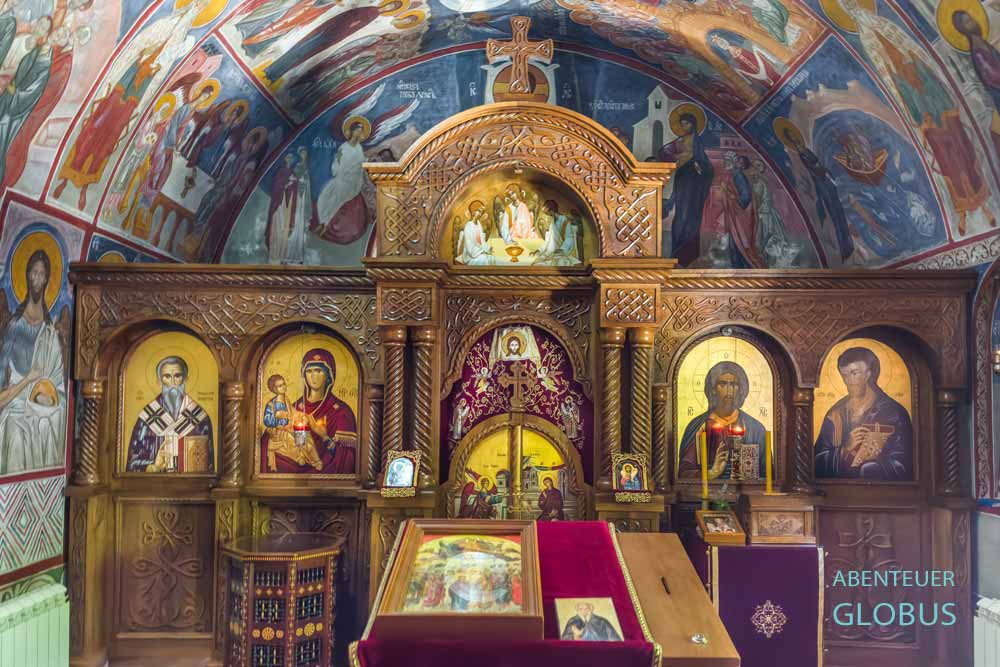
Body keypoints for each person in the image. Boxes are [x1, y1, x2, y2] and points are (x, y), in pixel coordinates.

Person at [0, 248, 66, 474]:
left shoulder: (50, 328)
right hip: (16, 403)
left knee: (52, 423)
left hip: (43, 402)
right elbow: (2, 378)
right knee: (17, 434)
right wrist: (27, 381)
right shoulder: (15, 325)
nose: (37, 279)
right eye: (33, 273)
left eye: (42, 274)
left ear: (48, 279)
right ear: (26, 276)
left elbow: (57, 380)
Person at [814, 347, 913, 480]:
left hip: (882, 495)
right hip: (837, 492)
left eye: (854, 373)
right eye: (845, 375)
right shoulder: (835, 415)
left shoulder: (894, 413)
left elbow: (905, 462)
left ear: (868, 374)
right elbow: (815, 462)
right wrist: (844, 450)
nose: (848, 381)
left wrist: (874, 463)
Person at [261, 348, 357, 474]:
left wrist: (324, 437)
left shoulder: (342, 412)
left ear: (329, 375)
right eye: (309, 371)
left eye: (318, 371)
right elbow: (267, 440)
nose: (313, 376)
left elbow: (346, 458)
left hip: (328, 479)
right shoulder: (293, 406)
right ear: (303, 375)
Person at [677, 361, 767, 479]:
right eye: (723, 384)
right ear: (713, 389)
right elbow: (684, 473)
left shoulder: (755, 429)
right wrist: (711, 473)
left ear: (740, 389)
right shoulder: (699, 426)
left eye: (734, 384)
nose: (729, 390)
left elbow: (767, 474)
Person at [126, 356, 214, 473]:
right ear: (159, 381)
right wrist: (153, 467)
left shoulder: (200, 417)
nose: (172, 383)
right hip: (155, 487)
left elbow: (210, 465)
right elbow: (132, 464)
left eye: (177, 376)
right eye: (167, 376)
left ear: (185, 379)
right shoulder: (147, 417)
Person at [784, 128, 854, 263]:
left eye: (796, 138)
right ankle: (844, 248)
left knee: (839, 214)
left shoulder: (805, 151)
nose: (797, 141)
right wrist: (821, 169)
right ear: (791, 142)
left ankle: (848, 246)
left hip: (827, 183)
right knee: (834, 216)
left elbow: (818, 165)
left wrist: (822, 166)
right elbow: (811, 170)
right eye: (793, 139)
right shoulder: (800, 157)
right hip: (821, 187)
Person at [661, 112, 714, 266]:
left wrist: (700, 167)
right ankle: (677, 251)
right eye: (682, 124)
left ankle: (688, 252)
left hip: (694, 181)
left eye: (687, 123)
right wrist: (676, 155)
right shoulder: (680, 140)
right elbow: (664, 152)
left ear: (693, 125)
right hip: (682, 178)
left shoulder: (697, 141)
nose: (685, 126)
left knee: (691, 215)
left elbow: (704, 163)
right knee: (681, 215)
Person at [315, 119, 369, 244]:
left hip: (351, 182)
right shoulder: (344, 146)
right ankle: (322, 221)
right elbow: (337, 161)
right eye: (357, 130)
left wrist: (363, 163)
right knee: (324, 196)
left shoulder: (359, 148)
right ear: (352, 131)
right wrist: (337, 168)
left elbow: (360, 164)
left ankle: (325, 223)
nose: (359, 133)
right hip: (341, 177)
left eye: (360, 131)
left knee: (336, 200)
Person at [262, 373, 321, 472]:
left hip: (290, 428)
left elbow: (293, 413)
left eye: (284, 384)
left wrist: (302, 416)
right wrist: (277, 418)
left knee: (306, 437)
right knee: (293, 442)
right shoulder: (272, 404)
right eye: (280, 386)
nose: (283, 387)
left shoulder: (286, 400)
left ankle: (315, 460)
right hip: (280, 432)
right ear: (274, 389)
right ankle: (300, 457)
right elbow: (267, 420)